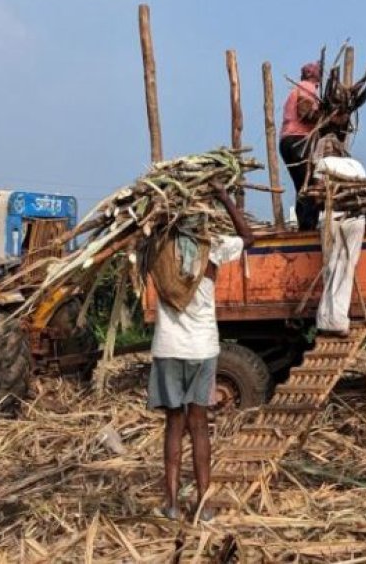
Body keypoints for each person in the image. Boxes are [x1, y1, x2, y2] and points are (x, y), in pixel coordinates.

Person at [147, 182, 255, 522]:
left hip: (168, 349)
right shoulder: (214, 247)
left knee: (174, 425)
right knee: (199, 426)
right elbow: (249, 238)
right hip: (203, 349)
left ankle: (172, 504)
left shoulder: (159, 248)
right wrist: (225, 197)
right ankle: (204, 505)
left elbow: (141, 230)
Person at [312, 135, 366, 336]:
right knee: (346, 267)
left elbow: (318, 193)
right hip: (356, 219)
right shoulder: (356, 165)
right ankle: (335, 319)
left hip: (332, 217)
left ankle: (329, 319)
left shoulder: (324, 163)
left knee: (331, 267)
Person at [279, 62, 322, 231]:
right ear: (314, 75)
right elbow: (304, 113)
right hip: (299, 140)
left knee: (301, 186)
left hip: (287, 140)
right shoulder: (307, 87)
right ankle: (308, 226)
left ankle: (305, 225)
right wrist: (326, 115)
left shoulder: (295, 90)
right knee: (310, 184)